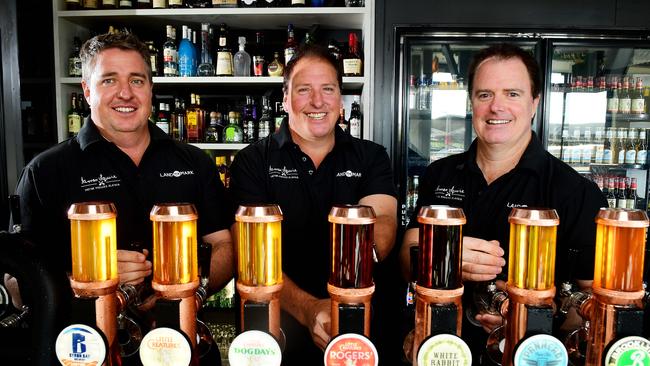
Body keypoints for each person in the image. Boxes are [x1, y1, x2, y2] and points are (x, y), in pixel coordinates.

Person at [399, 43, 607, 362]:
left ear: (535, 102)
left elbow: (596, 302)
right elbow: (406, 256)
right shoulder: (439, 174)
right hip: (441, 351)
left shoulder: (575, 191)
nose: (497, 107)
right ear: (472, 103)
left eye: (512, 93)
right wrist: (442, 254)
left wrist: (538, 313)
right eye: (485, 95)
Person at [11, 32, 234, 314]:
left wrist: (180, 291)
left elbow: (224, 247)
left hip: (181, 340)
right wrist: (88, 280)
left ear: (151, 89)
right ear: (87, 90)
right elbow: (15, 285)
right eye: (109, 80)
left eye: (136, 80)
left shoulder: (194, 161)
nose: (125, 93)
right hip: (83, 347)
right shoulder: (44, 171)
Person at [228, 44, 398, 364]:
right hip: (275, 331)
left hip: (358, 328)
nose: (317, 101)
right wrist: (309, 309)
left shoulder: (372, 157)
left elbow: (384, 221)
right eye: (304, 89)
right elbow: (249, 252)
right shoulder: (253, 161)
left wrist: (342, 300)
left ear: (341, 101)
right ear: (285, 99)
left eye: (328, 89)